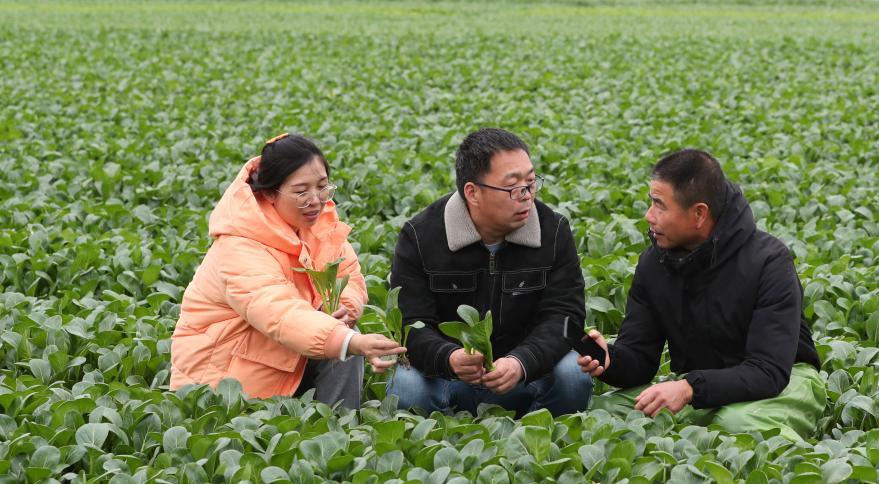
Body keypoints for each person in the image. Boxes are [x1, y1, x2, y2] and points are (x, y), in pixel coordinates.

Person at [578, 149, 825, 441]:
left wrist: (690, 388)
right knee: (604, 411)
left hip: (785, 380)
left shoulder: (769, 261)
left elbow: (768, 371)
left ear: (699, 213)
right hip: (700, 385)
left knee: (735, 425)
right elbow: (640, 358)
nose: (648, 215)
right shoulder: (654, 263)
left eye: (659, 205)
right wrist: (610, 360)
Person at [170, 134, 404, 405]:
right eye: (301, 191)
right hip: (223, 382)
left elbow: (347, 276)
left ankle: (341, 434)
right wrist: (344, 339)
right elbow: (279, 312)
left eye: (323, 187)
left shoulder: (319, 226)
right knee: (343, 343)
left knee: (343, 341)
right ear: (270, 193)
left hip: (281, 358)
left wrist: (341, 311)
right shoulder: (239, 246)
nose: (316, 200)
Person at [386, 127, 592, 417]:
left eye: (531, 183)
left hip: (522, 378)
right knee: (406, 384)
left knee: (574, 372)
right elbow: (411, 323)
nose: (526, 196)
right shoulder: (421, 235)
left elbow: (564, 315)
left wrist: (521, 363)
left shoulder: (553, 230)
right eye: (513, 188)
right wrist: (451, 358)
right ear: (473, 192)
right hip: (449, 379)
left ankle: (537, 434)